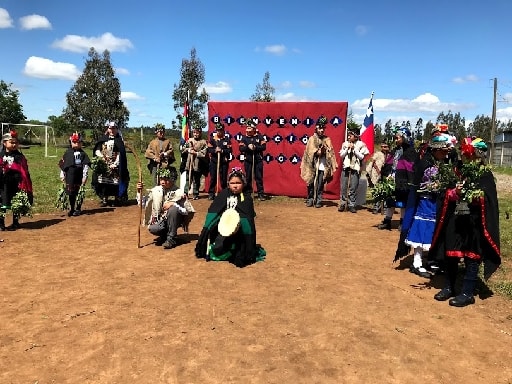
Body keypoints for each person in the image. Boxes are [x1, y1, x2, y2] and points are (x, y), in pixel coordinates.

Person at [430, 137, 501, 307]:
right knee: (451, 252)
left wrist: (475, 195)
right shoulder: (456, 170)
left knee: (471, 255)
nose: (465, 156)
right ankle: (448, 287)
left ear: (478, 155)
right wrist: (454, 192)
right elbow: (446, 192)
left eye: (469, 154)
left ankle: (467, 292)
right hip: (456, 217)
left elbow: (489, 199)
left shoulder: (485, 174)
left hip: (474, 221)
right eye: (464, 153)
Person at [393, 135, 452, 278]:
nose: (445, 154)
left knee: (433, 231)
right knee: (421, 230)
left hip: (436, 202)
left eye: (446, 152)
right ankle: (417, 263)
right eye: (443, 151)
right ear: (435, 150)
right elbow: (418, 184)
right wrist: (432, 186)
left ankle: (432, 261)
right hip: (424, 202)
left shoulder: (441, 163)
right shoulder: (424, 163)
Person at [195, 167, 266, 267]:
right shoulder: (223, 195)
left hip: (240, 233)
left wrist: (238, 223)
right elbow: (213, 213)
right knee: (218, 249)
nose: (235, 186)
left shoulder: (246, 198)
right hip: (222, 229)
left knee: (240, 256)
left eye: (238, 183)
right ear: (228, 184)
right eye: (232, 183)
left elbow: (248, 221)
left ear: (244, 183)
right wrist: (219, 221)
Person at [142, 167, 195, 249]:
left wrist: (174, 204)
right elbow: (143, 203)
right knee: (153, 228)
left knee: (173, 209)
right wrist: (139, 191)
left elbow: (187, 211)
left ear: (172, 179)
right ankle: (165, 235)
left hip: (177, 219)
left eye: (166, 179)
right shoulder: (156, 191)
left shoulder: (179, 192)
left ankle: (171, 238)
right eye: (161, 179)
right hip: (161, 219)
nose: (163, 182)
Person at [377, 127, 417, 230]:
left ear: (404, 137)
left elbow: (410, 167)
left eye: (397, 138)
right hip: (392, 178)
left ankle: (403, 222)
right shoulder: (395, 150)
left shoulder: (410, 151)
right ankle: (387, 220)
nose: (395, 140)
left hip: (403, 180)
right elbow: (390, 163)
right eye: (395, 138)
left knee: (403, 202)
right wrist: (387, 174)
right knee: (390, 200)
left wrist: (410, 180)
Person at [300, 116, 338, 208]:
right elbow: (309, 151)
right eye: (320, 128)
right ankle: (310, 199)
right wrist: (317, 152)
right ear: (316, 128)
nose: (321, 130)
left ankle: (318, 200)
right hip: (312, 165)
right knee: (311, 183)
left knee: (320, 183)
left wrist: (325, 151)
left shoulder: (327, 139)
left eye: (323, 128)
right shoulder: (312, 139)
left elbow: (331, 152)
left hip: (322, 165)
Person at [0, 130, 33, 231]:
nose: (14, 144)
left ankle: (15, 222)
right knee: (2, 202)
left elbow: (24, 170)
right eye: (11, 142)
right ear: (4, 143)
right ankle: (1, 223)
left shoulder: (20, 156)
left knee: (16, 201)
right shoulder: (0, 156)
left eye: (16, 142)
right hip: (3, 183)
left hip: (16, 183)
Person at [91, 121, 130, 207]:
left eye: (114, 128)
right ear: (108, 129)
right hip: (104, 163)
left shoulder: (119, 140)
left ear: (116, 129)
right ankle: (105, 199)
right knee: (104, 182)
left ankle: (117, 198)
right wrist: (102, 158)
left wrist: (115, 164)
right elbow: (97, 150)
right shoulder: (103, 139)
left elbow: (121, 154)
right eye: (110, 128)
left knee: (115, 182)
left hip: (115, 164)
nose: (112, 130)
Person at [58, 132, 91, 217]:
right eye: (74, 142)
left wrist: (85, 176)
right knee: (71, 192)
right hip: (70, 176)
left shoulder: (83, 154)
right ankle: (72, 208)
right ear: (71, 142)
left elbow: (86, 165)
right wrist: (62, 174)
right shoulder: (68, 153)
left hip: (79, 176)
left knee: (79, 192)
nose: (77, 144)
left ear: (81, 143)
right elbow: (63, 164)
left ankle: (78, 208)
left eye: (79, 143)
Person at [338, 127, 369, 213]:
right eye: (348, 135)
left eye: (350, 136)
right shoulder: (345, 144)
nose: (348, 137)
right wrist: (347, 148)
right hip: (346, 168)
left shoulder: (361, 144)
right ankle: (343, 203)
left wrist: (354, 149)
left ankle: (352, 204)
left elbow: (362, 157)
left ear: (355, 137)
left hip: (355, 168)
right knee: (343, 187)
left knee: (353, 187)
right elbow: (341, 155)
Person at [239, 118, 267, 201]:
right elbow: (241, 148)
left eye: (249, 128)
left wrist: (255, 147)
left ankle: (261, 194)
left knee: (258, 177)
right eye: (246, 128)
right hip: (248, 160)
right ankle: (248, 193)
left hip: (258, 160)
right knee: (248, 178)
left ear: (254, 129)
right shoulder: (244, 138)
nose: (247, 129)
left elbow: (263, 147)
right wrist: (248, 147)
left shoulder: (260, 137)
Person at [207, 122, 232, 200]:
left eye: (221, 130)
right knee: (213, 178)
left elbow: (229, 150)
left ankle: (224, 193)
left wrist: (222, 151)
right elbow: (209, 149)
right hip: (214, 161)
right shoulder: (212, 139)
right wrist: (215, 150)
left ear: (223, 130)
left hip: (223, 162)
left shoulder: (227, 139)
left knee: (223, 179)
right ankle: (211, 193)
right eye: (218, 130)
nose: (219, 132)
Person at [182, 127, 209, 200]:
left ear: (200, 133)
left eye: (197, 133)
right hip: (189, 163)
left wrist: (196, 153)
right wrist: (189, 149)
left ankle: (195, 193)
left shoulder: (203, 142)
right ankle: (185, 192)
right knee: (188, 179)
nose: (195, 134)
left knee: (196, 180)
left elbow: (204, 153)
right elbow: (183, 148)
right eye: (194, 132)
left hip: (198, 163)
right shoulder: (189, 141)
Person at [366, 141, 391, 214]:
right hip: (377, 174)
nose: (383, 148)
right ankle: (376, 207)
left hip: (387, 175)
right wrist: (377, 170)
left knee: (386, 192)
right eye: (382, 146)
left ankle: (386, 208)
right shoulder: (378, 154)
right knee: (378, 191)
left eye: (385, 147)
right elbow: (372, 162)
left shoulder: (390, 155)